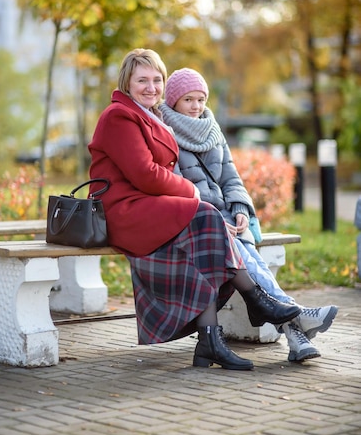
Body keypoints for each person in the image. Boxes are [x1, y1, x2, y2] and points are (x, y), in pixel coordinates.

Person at [88, 48, 302, 372]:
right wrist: (191, 192)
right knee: (205, 215)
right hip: (123, 211)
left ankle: (210, 342)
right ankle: (257, 301)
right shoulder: (119, 116)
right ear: (127, 83)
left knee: (203, 231)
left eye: (157, 79)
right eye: (142, 80)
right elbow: (145, 173)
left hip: (149, 205)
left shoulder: (150, 116)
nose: (151, 87)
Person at [160, 67, 338, 362]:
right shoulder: (165, 133)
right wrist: (216, 218)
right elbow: (179, 187)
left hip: (230, 218)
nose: (196, 106)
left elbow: (232, 178)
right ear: (174, 100)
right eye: (188, 99)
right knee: (249, 261)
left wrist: (241, 208)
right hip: (201, 220)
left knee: (254, 262)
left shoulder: (213, 129)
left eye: (201, 99)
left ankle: (295, 330)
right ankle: (297, 321)